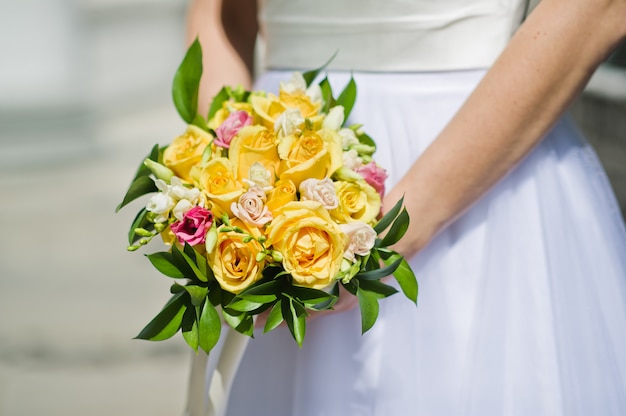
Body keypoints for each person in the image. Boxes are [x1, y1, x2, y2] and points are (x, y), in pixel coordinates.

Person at [186, 0, 626, 414]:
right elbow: (223, 17)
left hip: (480, 170)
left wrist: (394, 225)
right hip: (276, 174)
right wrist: (229, 182)